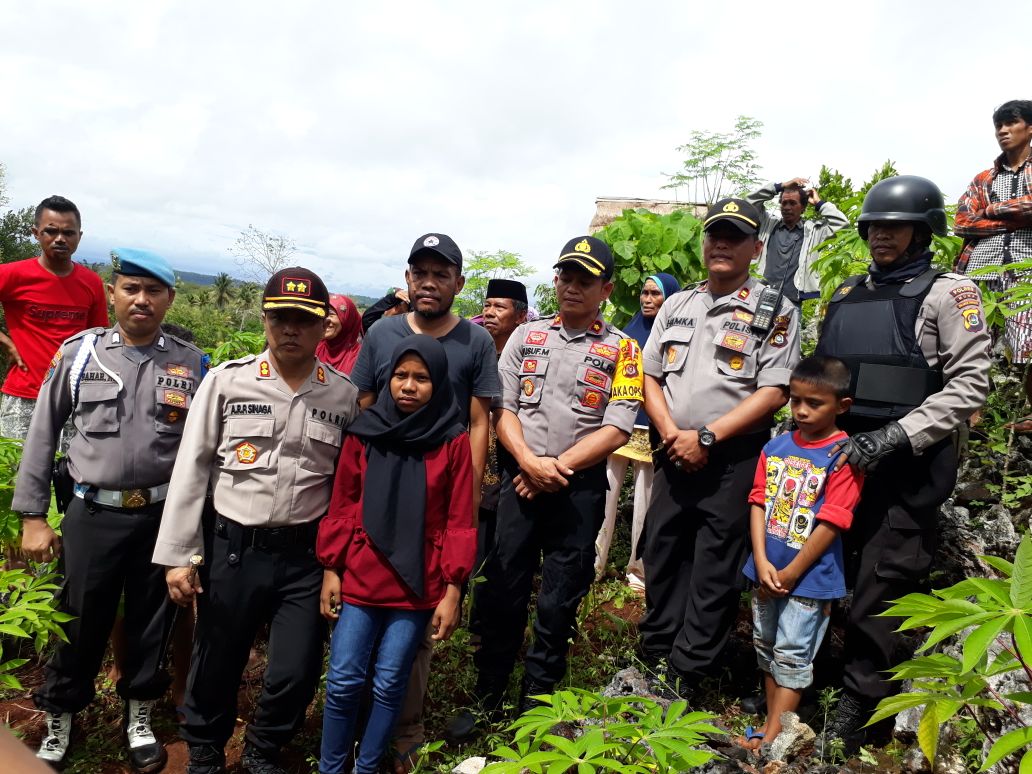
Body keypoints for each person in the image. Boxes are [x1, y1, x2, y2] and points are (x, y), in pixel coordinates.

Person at [153, 267, 360, 774]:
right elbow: (192, 468)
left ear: (322, 326)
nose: (291, 330)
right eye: (280, 318)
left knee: (295, 668)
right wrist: (179, 556)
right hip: (233, 548)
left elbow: (347, 485)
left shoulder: (343, 395)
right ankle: (204, 747)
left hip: (305, 557)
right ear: (266, 320)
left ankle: (264, 749)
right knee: (218, 656)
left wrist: (338, 561)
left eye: (303, 320)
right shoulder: (227, 381)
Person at [814, 175, 991, 752]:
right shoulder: (844, 294)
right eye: (873, 226)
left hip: (908, 462)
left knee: (881, 587)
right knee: (824, 573)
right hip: (841, 456)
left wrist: (896, 435)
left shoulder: (949, 292)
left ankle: (864, 706)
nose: (880, 235)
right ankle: (807, 679)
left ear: (923, 231)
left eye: (894, 226)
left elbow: (969, 386)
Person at [13, 248, 204, 771]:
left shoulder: (191, 363)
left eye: (153, 291)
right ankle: (61, 719)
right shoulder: (80, 355)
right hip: (91, 515)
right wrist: (33, 516)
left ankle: (138, 718)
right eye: (130, 288)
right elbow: (42, 433)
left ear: (168, 299)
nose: (141, 300)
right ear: (112, 293)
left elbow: (201, 448)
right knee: (78, 620)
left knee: (150, 622)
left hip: (160, 518)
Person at [450, 235, 643, 739]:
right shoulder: (525, 338)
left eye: (584, 280)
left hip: (577, 493)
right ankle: (488, 700)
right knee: (501, 595)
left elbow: (618, 426)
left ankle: (536, 713)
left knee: (558, 604)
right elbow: (502, 409)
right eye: (565, 277)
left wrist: (552, 468)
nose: (572, 287)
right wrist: (529, 464)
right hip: (521, 481)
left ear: (606, 288)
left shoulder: (624, 349)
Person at [637, 198, 800, 693]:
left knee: (715, 565)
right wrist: (672, 434)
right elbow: (649, 375)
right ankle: (655, 651)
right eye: (715, 234)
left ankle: (689, 671)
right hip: (671, 449)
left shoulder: (776, 309)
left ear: (756, 247)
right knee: (662, 551)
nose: (722, 244)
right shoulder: (677, 303)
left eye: (734, 236)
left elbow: (774, 390)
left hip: (731, 457)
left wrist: (706, 436)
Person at [349, 233, 498, 770]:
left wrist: (468, 492)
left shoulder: (475, 343)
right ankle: (358, 717)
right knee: (365, 606)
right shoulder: (383, 334)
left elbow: (480, 419)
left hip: (439, 502)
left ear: (458, 282)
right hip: (382, 493)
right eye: (421, 273)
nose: (429, 283)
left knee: (419, 614)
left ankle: (404, 725)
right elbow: (365, 402)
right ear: (407, 280)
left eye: (442, 274)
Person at [316, 335, 476, 774]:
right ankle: (331, 768)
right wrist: (332, 567)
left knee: (389, 683)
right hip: (361, 575)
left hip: (419, 582)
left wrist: (453, 588)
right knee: (345, 681)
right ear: (387, 380)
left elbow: (460, 517)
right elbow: (344, 503)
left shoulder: (452, 440)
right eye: (400, 376)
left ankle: (367, 767)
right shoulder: (365, 433)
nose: (409, 386)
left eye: (421, 378)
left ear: (438, 382)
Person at [737, 356, 863, 750]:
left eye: (814, 403)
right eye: (795, 401)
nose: (802, 411)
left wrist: (792, 571)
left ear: (842, 406)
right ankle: (772, 729)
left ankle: (773, 737)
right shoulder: (775, 446)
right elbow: (758, 501)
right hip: (766, 571)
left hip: (809, 579)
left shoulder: (844, 456)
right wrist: (760, 559)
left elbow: (833, 521)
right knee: (767, 648)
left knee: (792, 654)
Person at [594, 272, 680, 593]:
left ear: (669, 298)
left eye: (655, 295)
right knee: (606, 492)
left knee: (646, 499)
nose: (647, 299)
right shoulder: (627, 333)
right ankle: (595, 561)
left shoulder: (673, 334)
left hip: (652, 426)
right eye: (644, 293)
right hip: (620, 423)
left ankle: (638, 568)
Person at [0, 195, 108, 439]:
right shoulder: (13, 274)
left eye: (68, 233)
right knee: (15, 472)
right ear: (36, 233)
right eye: (51, 231)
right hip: (23, 396)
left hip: (74, 398)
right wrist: (6, 343)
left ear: (79, 236)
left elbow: (98, 339)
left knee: (68, 473)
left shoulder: (91, 282)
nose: (60, 238)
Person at [955, 100, 1032, 431]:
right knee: (973, 342)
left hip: (1026, 271)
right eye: (998, 125)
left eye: (1011, 123)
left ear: (1029, 128)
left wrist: (992, 210)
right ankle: (971, 414)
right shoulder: (984, 178)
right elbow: (961, 220)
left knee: (1027, 345)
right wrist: (1011, 221)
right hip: (982, 271)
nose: (1002, 130)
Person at [472, 279, 528, 607]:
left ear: (520, 316)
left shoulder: (524, 357)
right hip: (476, 461)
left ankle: (487, 617)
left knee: (503, 548)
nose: (490, 313)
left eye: (500, 307)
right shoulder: (474, 352)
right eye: (487, 305)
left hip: (510, 464)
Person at [745, 178, 849, 304]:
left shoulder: (813, 231)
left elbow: (842, 224)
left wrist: (819, 203)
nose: (787, 207)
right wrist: (780, 185)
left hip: (791, 303)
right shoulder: (768, 225)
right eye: (784, 203)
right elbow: (749, 202)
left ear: (803, 208)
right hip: (758, 297)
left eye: (793, 203)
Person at [317, 293, 363, 374]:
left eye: (331, 314)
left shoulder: (360, 357)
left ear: (348, 320)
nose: (325, 319)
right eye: (323, 314)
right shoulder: (315, 348)